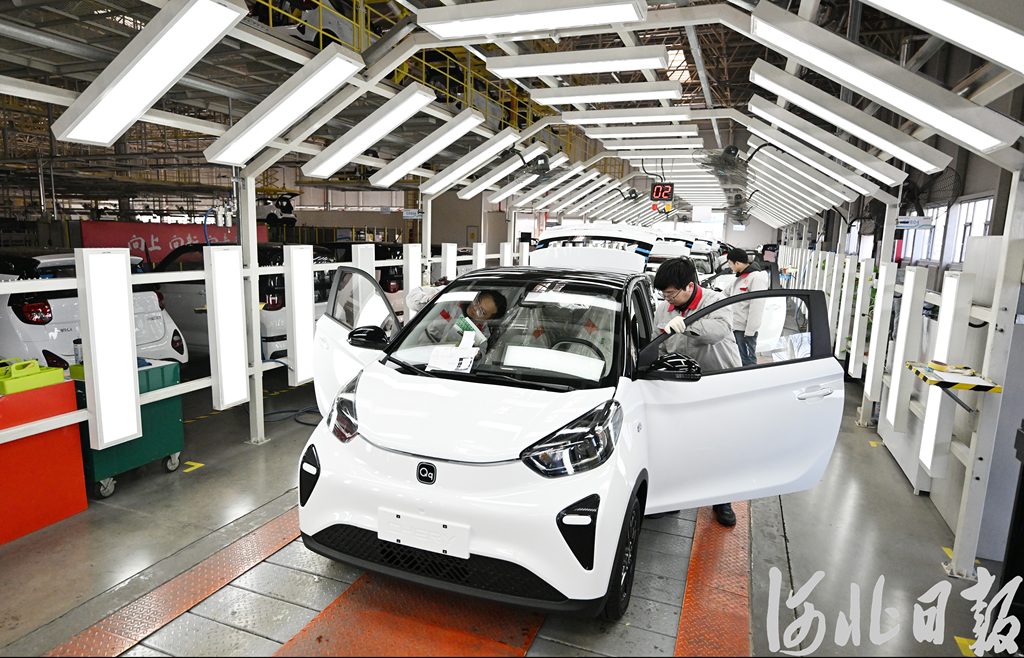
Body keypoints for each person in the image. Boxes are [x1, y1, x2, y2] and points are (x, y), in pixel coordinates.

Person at [652, 257, 741, 527]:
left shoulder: (716, 301)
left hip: (718, 382)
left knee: (719, 443)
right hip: (683, 384)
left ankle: (722, 500)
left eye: (671, 293)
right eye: (663, 294)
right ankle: (675, 499)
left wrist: (687, 324)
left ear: (689, 286)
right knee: (682, 443)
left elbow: (718, 331)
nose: (667, 299)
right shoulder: (663, 309)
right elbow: (659, 344)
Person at [724, 247, 770, 367]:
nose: (729, 267)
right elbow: (725, 293)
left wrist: (750, 331)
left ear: (737, 263)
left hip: (745, 330)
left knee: (748, 362)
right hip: (736, 327)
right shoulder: (740, 277)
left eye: (730, 263)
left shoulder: (756, 278)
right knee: (739, 359)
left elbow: (757, 306)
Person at [423, 289, 507, 346]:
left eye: (481, 312)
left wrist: (476, 355)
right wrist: (431, 300)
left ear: (488, 319)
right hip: (420, 346)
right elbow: (415, 300)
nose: (475, 308)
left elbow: (481, 355)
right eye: (477, 301)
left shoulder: (482, 332)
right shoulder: (452, 300)